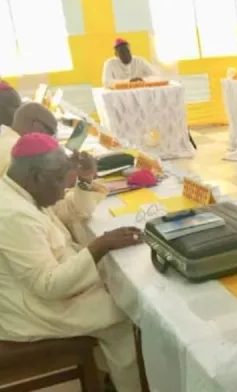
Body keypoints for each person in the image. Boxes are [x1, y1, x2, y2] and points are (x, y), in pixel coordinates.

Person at [0, 133, 144, 391]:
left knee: (119, 289)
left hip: (40, 294)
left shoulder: (20, 189)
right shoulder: (13, 215)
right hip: (32, 309)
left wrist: (85, 181)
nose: (61, 189)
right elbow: (48, 286)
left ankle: (108, 375)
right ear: (36, 177)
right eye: (59, 181)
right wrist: (100, 246)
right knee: (126, 313)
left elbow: (66, 211)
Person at [0, 102, 57, 175]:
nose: (50, 139)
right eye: (51, 133)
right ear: (36, 126)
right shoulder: (17, 155)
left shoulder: (4, 136)